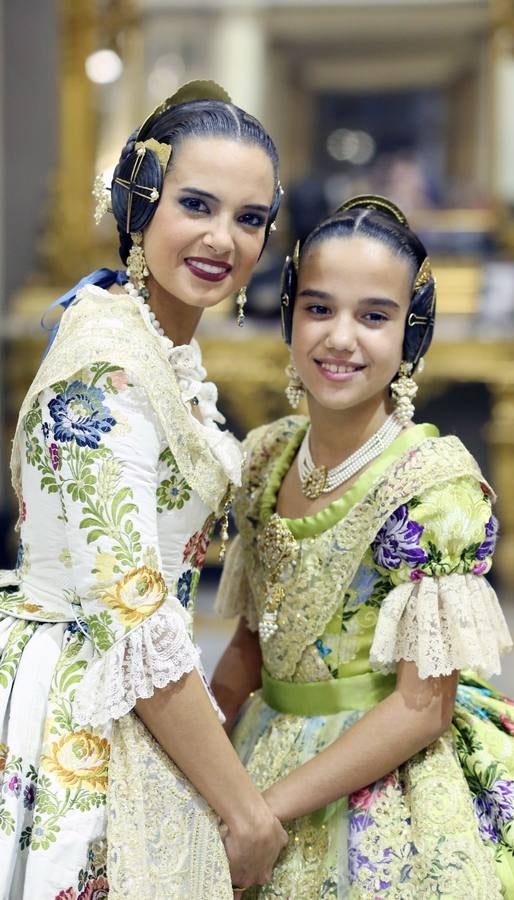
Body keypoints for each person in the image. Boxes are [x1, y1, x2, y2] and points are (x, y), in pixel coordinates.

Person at [212, 195, 514, 898]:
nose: (340, 338)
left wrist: (265, 814)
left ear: (411, 331)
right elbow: (248, 646)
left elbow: (424, 708)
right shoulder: (266, 458)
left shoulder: (433, 487)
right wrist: (201, 769)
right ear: (290, 313)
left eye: (374, 316)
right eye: (319, 308)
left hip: (388, 765)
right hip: (261, 744)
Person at [0, 80, 288, 899]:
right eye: (195, 204)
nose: (221, 239)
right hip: (80, 696)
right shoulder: (107, 372)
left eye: (249, 218)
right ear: (138, 201)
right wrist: (246, 814)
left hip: (130, 678)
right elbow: (132, 616)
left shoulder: (151, 343)